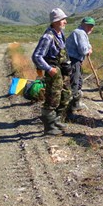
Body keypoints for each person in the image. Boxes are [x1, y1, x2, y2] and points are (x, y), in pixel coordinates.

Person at [32, 8, 72, 136]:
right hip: (54, 73)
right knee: (52, 100)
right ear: (55, 22)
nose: (65, 22)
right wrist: (49, 69)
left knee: (65, 96)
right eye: (62, 20)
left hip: (62, 73)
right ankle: (49, 128)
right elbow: (37, 56)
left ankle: (56, 121)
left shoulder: (60, 34)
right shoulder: (48, 37)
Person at [65, 16, 95, 114]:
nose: (91, 28)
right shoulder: (80, 33)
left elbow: (88, 44)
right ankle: (71, 107)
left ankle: (75, 103)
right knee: (75, 82)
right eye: (89, 26)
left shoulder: (82, 33)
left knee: (78, 81)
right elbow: (84, 50)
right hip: (73, 61)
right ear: (83, 24)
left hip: (74, 60)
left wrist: (89, 48)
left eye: (92, 26)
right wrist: (88, 50)